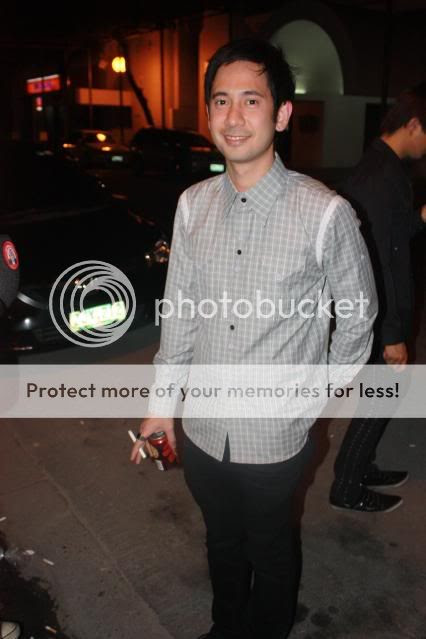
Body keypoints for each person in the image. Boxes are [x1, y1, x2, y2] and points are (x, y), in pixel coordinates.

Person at [131, 39, 377, 639]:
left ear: (282, 114)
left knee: (271, 549)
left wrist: (311, 400)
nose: (233, 117)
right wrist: (161, 409)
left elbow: (358, 319)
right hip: (202, 429)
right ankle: (226, 627)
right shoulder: (192, 206)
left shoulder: (324, 214)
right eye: (221, 101)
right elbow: (180, 314)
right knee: (220, 542)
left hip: (275, 438)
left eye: (251, 100)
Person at [330, 83, 426, 513]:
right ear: (414, 125)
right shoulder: (378, 177)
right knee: (381, 397)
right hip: (378, 314)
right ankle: (347, 488)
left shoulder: (386, 168)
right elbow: (375, 262)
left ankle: (357, 468)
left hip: (382, 311)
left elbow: (395, 233)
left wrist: (421, 216)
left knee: (379, 396)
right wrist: (391, 335)